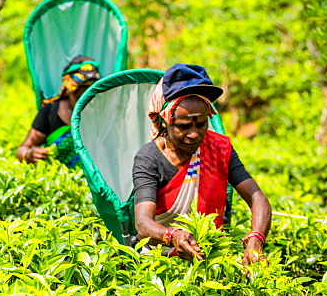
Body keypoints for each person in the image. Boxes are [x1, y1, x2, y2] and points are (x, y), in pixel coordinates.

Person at [132, 64, 271, 266]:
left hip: (212, 255)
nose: (195, 133)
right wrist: (172, 235)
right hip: (160, 259)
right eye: (183, 126)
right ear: (165, 122)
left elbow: (257, 198)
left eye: (201, 124)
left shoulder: (219, 149)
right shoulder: (149, 159)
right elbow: (143, 224)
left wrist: (256, 239)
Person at [16, 56, 101, 167]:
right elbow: (22, 149)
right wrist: (29, 154)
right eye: (81, 86)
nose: (86, 92)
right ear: (69, 86)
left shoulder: (103, 112)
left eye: (91, 86)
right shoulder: (50, 111)